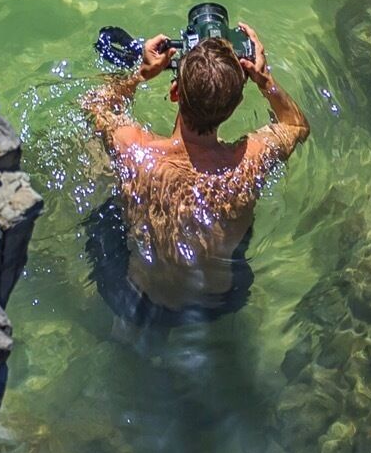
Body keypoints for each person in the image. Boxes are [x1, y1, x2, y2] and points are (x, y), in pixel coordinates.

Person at [84, 23, 309, 319]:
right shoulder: (251, 160)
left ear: (175, 92)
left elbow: (94, 104)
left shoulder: (134, 150)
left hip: (136, 299)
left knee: (95, 155)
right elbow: (296, 126)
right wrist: (264, 79)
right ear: (237, 105)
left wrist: (141, 74)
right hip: (219, 302)